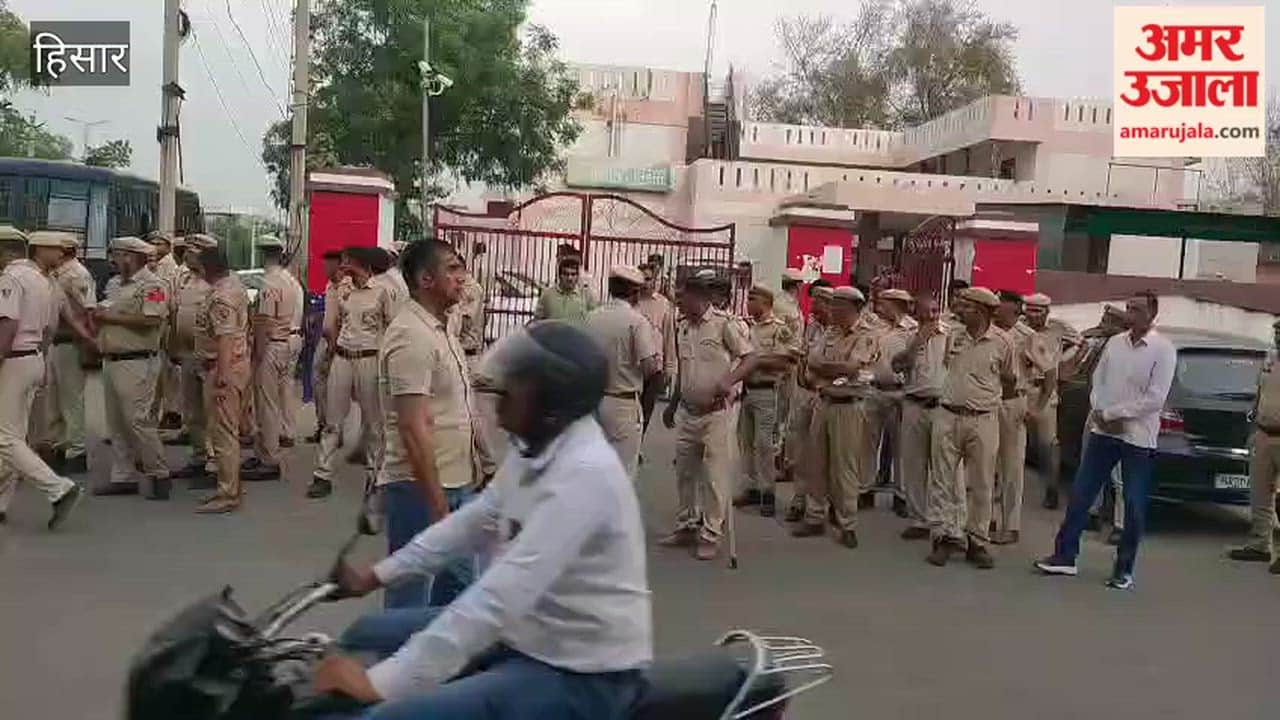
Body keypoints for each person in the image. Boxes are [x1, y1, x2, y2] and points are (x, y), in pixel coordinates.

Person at [316, 321, 650, 720]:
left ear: (550, 401)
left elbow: (499, 595)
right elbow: (473, 521)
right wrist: (376, 575)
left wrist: (381, 684)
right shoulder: (535, 449)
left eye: (519, 381)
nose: (503, 388)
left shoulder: (584, 474)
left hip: (580, 671)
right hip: (527, 632)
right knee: (366, 632)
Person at [1035, 291, 1176, 590]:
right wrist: (1100, 411)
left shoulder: (1163, 350)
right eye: (1129, 308)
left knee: (1133, 503)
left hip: (1137, 438)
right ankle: (1065, 556)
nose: (1130, 314)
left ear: (1152, 314)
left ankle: (1123, 569)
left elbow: (1155, 398)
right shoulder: (1115, 343)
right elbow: (1097, 380)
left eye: (1137, 310)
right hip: (1103, 431)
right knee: (1081, 495)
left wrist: (1116, 414)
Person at [378, 240, 478, 609]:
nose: (461, 277)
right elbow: (412, 426)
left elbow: (455, 406)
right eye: (451, 269)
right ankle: (397, 649)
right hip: (419, 486)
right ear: (425, 279)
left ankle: (435, 646)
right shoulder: (411, 335)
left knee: (459, 585)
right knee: (409, 593)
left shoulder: (441, 328)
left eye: (460, 267)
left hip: (455, 479)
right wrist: (436, 503)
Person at [660, 275, 757, 561]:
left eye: (682, 298)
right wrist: (672, 403)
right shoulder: (682, 327)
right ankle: (687, 524)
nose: (678, 303)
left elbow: (750, 358)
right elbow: (683, 369)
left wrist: (730, 380)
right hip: (688, 411)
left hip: (716, 413)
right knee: (685, 472)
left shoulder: (724, 325)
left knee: (715, 475)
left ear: (698, 298)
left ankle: (711, 532)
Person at [925, 287, 1016, 569]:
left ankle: (977, 540)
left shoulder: (1003, 342)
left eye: (965, 306)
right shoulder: (954, 335)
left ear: (981, 311)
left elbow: (1009, 380)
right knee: (942, 479)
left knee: (982, 482)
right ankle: (944, 536)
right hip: (948, 415)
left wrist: (985, 398)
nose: (959, 309)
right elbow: (948, 367)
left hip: (983, 419)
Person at [0, 228, 84, 529]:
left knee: (4, 438)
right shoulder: (43, 280)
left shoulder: (11, 279)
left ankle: (57, 488)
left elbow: (7, 325)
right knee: (14, 434)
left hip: (13, 359)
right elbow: (49, 329)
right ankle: (1, 501)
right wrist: (42, 362)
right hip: (33, 356)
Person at [793, 286, 878, 548]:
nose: (833, 309)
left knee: (844, 467)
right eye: (832, 304)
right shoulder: (829, 333)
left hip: (848, 406)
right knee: (816, 462)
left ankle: (847, 523)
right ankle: (814, 516)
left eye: (838, 304)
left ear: (854, 307)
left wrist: (826, 368)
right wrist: (831, 369)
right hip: (824, 401)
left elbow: (852, 368)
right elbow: (812, 363)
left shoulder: (866, 335)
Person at [312, 246, 397, 499]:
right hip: (343, 357)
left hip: (370, 358)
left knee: (374, 422)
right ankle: (322, 474)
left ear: (363, 265)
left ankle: (374, 476)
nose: (343, 265)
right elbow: (334, 322)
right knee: (332, 420)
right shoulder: (343, 290)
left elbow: (393, 327)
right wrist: (332, 350)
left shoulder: (382, 291)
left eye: (349, 261)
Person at [93, 237, 172, 500]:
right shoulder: (114, 284)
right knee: (116, 422)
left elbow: (152, 318)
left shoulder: (153, 285)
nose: (112, 260)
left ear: (131, 257)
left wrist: (110, 317)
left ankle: (158, 472)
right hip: (112, 358)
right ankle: (123, 475)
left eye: (117, 255)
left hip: (138, 361)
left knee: (138, 420)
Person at [192, 242, 252, 514]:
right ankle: (229, 486)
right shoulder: (234, 285)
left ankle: (228, 493)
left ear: (206, 268)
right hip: (234, 364)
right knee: (226, 431)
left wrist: (221, 377)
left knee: (223, 433)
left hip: (223, 367)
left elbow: (225, 337)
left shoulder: (221, 296)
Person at [584, 266, 660, 478]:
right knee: (623, 473)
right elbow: (649, 366)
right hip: (623, 402)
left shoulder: (591, 318)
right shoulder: (637, 322)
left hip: (594, 400)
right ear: (634, 292)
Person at [242, 237, 305, 482]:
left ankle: (269, 458)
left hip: (271, 345)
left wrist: (257, 354)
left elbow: (265, 322)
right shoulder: (289, 280)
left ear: (262, 254)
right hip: (286, 341)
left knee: (266, 405)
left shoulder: (270, 283)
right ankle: (263, 452)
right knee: (276, 399)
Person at [733, 284, 798, 517]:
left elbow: (786, 361)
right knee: (745, 441)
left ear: (766, 302)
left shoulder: (779, 329)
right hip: (747, 390)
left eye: (753, 299)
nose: (748, 303)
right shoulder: (747, 327)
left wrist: (756, 361)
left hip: (767, 391)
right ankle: (751, 488)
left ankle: (768, 492)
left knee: (764, 444)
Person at [40, 231, 98, 475]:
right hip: (56, 341)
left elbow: (89, 309)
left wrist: (88, 344)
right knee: (53, 399)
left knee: (71, 398)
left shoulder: (76, 274)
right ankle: (59, 446)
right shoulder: (57, 273)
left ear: (64, 251)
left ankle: (77, 450)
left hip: (71, 341)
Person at [891, 293, 948, 540]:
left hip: (941, 407)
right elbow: (897, 365)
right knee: (914, 464)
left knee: (942, 466)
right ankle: (918, 519)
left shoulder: (950, 335)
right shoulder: (905, 335)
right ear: (917, 312)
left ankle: (941, 520)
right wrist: (918, 341)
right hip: (914, 404)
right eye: (927, 311)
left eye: (935, 311)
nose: (932, 316)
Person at [1228, 317, 1280, 574]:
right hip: (1263, 433)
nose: (1278, 336)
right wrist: (1254, 425)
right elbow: (1259, 394)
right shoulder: (1270, 360)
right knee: (1260, 493)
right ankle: (1260, 544)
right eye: (1277, 331)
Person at [167, 233, 218, 488]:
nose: (186, 256)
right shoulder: (184, 279)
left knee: (213, 413)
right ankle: (199, 457)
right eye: (186, 251)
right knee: (192, 411)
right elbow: (174, 312)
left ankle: (215, 463)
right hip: (187, 354)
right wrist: (173, 345)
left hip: (210, 358)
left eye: (192, 252)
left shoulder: (217, 283)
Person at [1022, 293, 1081, 509]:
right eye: (1029, 310)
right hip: (1021, 389)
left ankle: (1051, 489)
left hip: (1045, 391)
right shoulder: (1019, 327)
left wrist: (1063, 362)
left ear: (1047, 312)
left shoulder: (1058, 328)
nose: (1033, 315)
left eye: (1038, 311)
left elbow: (1080, 343)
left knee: (1047, 444)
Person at [991, 290, 1039, 545]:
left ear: (1015, 311)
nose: (996, 311)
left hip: (1013, 402)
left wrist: (1036, 407)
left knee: (1011, 467)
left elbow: (1048, 370)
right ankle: (986, 518)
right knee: (985, 464)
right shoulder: (987, 332)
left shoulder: (1027, 336)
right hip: (987, 401)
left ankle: (1010, 525)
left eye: (1001, 308)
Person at [783, 283, 832, 522]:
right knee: (800, 448)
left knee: (821, 452)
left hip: (824, 395)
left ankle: (821, 504)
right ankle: (799, 498)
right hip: (804, 392)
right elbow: (803, 354)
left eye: (818, 305)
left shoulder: (837, 332)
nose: (813, 308)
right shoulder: (811, 327)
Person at [866, 288, 917, 515]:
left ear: (897, 304)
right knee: (867, 444)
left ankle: (901, 495)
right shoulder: (873, 327)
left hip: (900, 393)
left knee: (902, 448)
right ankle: (865, 489)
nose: (879, 307)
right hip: (874, 389)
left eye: (884, 303)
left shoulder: (912, 330)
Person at [144, 230, 184, 430]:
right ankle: (155, 413)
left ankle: (171, 412)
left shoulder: (170, 269)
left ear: (168, 247)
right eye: (152, 243)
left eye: (159, 243)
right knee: (156, 373)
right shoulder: (152, 266)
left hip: (164, 323)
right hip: (155, 323)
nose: (154, 247)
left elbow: (163, 298)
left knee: (168, 372)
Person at [312, 250, 351, 443]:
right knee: (319, 383)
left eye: (328, 264)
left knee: (337, 388)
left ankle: (335, 430)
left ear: (338, 265)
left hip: (340, 342)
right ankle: (323, 424)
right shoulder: (329, 286)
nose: (324, 268)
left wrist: (335, 343)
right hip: (325, 339)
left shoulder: (348, 287)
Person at [635, 262, 676, 440]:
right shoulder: (632, 302)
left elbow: (669, 337)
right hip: (634, 365)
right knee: (632, 410)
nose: (645, 283)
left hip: (655, 366)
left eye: (649, 279)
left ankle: (639, 443)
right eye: (642, 279)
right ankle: (633, 444)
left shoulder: (663, 304)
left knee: (646, 409)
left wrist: (669, 368)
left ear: (654, 280)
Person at [534, 256, 592, 325]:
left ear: (577, 276)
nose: (569, 278)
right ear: (560, 276)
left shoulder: (586, 296)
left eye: (573, 274)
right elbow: (538, 322)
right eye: (566, 274)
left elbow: (594, 320)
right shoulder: (547, 295)